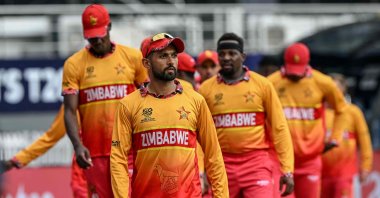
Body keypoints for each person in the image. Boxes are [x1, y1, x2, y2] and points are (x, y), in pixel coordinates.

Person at [110, 32, 229, 197]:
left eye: (174, 55)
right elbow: (118, 159)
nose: (171, 60)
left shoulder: (196, 101)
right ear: (146, 63)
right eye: (163, 56)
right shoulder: (128, 105)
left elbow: (213, 154)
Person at [62, 4, 148, 197]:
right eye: (91, 36)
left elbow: (150, 98)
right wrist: (77, 146)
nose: (97, 40)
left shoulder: (133, 57)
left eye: (100, 33)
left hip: (130, 149)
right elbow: (69, 111)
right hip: (96, 153)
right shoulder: (74, 64)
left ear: (109, 26)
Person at [198, 32, 294, 198]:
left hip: (256, 163)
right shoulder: (206, 89)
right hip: (222, 164)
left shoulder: (262, 85)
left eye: (232, 53)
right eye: (222, 54)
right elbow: (199, 135)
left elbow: (280, 127)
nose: (226, 58)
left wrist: (287, 170)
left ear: (242, 56)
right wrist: (201, 171)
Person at [267, 43, 348, 198]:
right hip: (279, 161)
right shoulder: (270, 83)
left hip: (310, 161)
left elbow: (342, 110)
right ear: (284, 63)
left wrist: (335, 137)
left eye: (299, 70)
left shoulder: (323, 82)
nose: (296, 75)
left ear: (307, 63)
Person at [0, 105, 88, 198]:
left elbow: (50, 138)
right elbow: (51, 138)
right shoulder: (72, 104)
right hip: (83, 172)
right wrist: (17, 160)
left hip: (98, 169)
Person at [321, 73, 373, 198]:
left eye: (336, 88)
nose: (332, 91)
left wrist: (365, 166)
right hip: (320, 174)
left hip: (344, 174)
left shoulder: (353, 112)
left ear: (343, 90)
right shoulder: (319, 112)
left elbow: (364, 140)